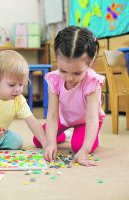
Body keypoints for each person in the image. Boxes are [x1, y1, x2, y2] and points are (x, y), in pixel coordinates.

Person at [33, 26, 105, 167]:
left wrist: (85, 150)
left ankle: (89, 136)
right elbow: (52, 115)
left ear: (90, 63)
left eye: (77, 73)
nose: (69, 78)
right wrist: (51, 142)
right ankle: (65, 134)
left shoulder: (92, 82)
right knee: (39, 140)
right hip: (63, 118)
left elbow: (92, 118)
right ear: (57, 60)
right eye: (63, 71)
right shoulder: (54, 79)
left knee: (78, 146)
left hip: (86, 121)